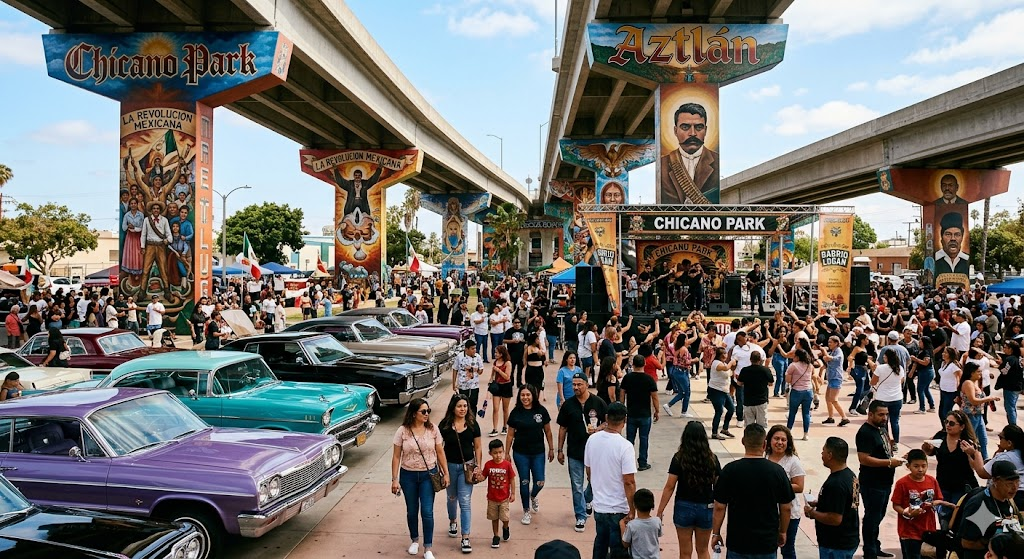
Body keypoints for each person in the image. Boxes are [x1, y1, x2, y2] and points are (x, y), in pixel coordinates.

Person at [711, 423, 794, 558]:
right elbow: (786, 507)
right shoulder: (777, 471)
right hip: (766, 543)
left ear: (743, 442)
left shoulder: (730, 470)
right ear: (764, 444)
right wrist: (783, 531)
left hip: (738, 542)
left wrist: (716, 533)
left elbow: (719, 506)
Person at [391, 398, 449, 559]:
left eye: (428, 411)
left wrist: (446, 473)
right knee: (412, 510)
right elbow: (396, 456)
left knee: (427, 511)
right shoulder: (402, 431)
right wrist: (394, 479)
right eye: (423, 411)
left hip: (428, 475)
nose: (426, 414)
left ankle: (428, 547)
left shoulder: (433, 429)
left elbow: (440, 452)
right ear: (413, 413)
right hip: (407, 475)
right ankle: (415, 540)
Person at [656, 421, 720, 559]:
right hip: (706, 507)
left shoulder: (679, 458)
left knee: (685, 552)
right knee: (703, 550)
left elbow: (670, 486)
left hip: (684, 506)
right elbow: (719, 487)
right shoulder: (712, 459)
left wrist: (660, 510)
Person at [584, 402, 637, 559]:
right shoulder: (625, 446)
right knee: (618, 549)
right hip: (618, 508)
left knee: (600, 543)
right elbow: (629, 481)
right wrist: (632, 508)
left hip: (599, 505)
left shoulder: (592, 440)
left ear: (606, 418)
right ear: (625, 420)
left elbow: (589, 470)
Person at [557, 372, 607, 533]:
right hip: (574, 451)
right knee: (576, 485)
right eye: (574, 384)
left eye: (579, 384)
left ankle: (588, 498)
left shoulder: (598, 402)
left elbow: (608, 421)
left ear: (586, 384)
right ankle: (580, 515)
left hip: (595, 451)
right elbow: (562, 428)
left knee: (595, 482)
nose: (576, 387)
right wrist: (559, 450)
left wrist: (598, 429)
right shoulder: (568, 405)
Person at [857, 400, 905, 559]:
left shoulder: (882, 428)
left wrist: (894, 457)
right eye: (881, 414)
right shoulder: (865, 432)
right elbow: (864, 459)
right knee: (872, 517)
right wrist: (890, 462)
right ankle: (869, 552)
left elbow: (885, 449)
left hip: (885, 481)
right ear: (870, 414)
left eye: (886, 414)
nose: (884, 417)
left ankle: (874, 545)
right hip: (872, 483)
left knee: (879, 515)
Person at [439, 394, 482, 554]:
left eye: (465, 406)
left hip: (467, 467)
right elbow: (438, 447)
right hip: (449, 467)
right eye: (459, 406)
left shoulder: (472, 424)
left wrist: (478, 465)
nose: (463, 409)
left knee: (465, 501)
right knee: (451, 498)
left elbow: (477, 447)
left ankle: (465, 537)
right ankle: (452, 521)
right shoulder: (444, 425)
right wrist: (441, 469)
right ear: (453, 408)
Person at [921, 409, 980, 529]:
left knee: (958, 517)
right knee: (943, 518)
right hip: (943, 484)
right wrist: (926, 447)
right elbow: (929, 452)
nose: (948, 425)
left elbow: (976, 467)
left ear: (962, 426)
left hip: (962, 486)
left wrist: (971, 453)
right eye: (946, 422)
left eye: (952, 423)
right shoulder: (940, 437)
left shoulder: (967, 443)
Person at [890, 449, 954, 559]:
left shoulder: (932, 481)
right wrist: (907, 513)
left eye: (924, 466)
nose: (920, 470)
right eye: (916, 466)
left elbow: (939, 498)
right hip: (909, 531)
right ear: (908, 466)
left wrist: (934, 503)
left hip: (928, 529)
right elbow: (896, 505)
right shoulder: (902, 483)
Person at [505, 384, 554, 526]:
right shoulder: (516, 412)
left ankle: (533, 496)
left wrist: (551, 449)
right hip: (521, 453)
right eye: (522, 395)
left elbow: (548, 431)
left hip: (538, 452)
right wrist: (507, 453)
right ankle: (526, 510)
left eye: (528, 395)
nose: (525, 398)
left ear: (533, 396)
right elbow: (510, 435)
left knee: (540, 481)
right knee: (524, 481)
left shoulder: (541, 411)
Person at [805, 437, 861, 559]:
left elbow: (835, 518)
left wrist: (812, 513)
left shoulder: (836, 484)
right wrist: (820, 503)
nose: (821, 454)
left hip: (836, 545)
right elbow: (844, 504)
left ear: (830, 455)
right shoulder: (850, 476)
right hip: (848, 538)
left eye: (823, 451)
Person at [955, 461, 1021, 559]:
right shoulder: (981, 506)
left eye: (1017, 482)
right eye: (1010, 483)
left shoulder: (1008, 500)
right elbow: (967, 543)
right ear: (995, 481)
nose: (1015, 487)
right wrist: (992, 545)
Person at [659, 103, 720, 205]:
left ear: (706, 130)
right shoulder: (662, 164)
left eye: (699, 127)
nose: (692, 133)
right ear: (675, 131)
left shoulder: (717, 161)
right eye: (685, 127)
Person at [766, 425, 806, 559]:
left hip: (789, 514)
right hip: (769, 512)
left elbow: (799, 486)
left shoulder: (793, 461)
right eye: (776, 439)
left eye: (783, 440)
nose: (779, 442)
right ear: (769, 441)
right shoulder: (764, 457)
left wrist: (778, 485)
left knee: (787, 549)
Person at [966, 424, 1024, 508]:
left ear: (1009, 443)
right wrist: (1000, 450)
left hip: (1012, 498)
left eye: (1001, 437)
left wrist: (976, 453)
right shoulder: (1019, 454)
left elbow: (982, 473)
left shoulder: (1005, 457)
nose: (999, 440)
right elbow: (994, 467)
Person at [621, 354, 660, 472]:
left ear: (633, 364)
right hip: (645, 414)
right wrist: (657, 411)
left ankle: (627, 462)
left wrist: (622, 410)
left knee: (629, 439)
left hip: (631, 413)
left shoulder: (627, 378)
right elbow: (654, 397)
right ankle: (642, 462)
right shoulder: (649, 379)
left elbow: (622, 395)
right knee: (644, 439)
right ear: (644, 364)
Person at [960, 361, 1000, 461]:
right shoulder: (968, 383)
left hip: (978, 414)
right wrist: (989, 399)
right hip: (970, 415)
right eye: (978, 372)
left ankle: (985, 459)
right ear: (971, 373)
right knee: (971, 439)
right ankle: (968, 459)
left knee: (983, 439)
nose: (980, 374)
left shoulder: (976, 382)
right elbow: (973, 400)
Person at [482, 438, 516, 549]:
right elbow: (483, 476)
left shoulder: (507, 465)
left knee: (505, 517)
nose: (498, 455)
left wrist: (513, 493)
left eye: (500, 452)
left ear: (503, 451)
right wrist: (477, 477)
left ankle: (505, 528)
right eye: (495, 453)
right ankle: (495, 536)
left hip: (504, 498)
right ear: (490, 453)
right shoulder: (488, 465)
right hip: (492, 498)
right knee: (494, 518)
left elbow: (512, 479)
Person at [872, 349, 906, 443]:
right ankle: (895, 442)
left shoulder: (880, 368)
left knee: (884, 421)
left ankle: (886, 441)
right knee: (895, 421)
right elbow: (901, 381)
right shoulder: (900, 368)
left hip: (883, 398)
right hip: (897, 397)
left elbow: (873, 382)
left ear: (887, 358)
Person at [737, 351, 774, 429]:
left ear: (750, 359)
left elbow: (739, 383)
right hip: (761, 401)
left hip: (748, 401)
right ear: (760, 359)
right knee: (762, 427)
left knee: (749, 427)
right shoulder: (765, 370)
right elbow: (771, 383)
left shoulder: (745, 370)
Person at [622, 488, 661, 559]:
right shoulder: (657, 521)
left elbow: (625, 543)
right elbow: (658, 534)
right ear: (652, 505)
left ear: (634, 505)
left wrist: (622, 525)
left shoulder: (632, 525)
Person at [820, 336, 851, 427]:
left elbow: (828, 358)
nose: (829, 344)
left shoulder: (839, 352)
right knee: (827, 398)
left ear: (836, 343)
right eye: (829, 342)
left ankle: (844, 417)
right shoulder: (833, 351)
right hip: (831, 378)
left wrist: (823, 350)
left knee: (833, 399)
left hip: (836, 378)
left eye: (831, 342)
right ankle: (831, 417)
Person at [786, 348, 815, 441]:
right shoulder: (809, 365)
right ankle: (806, 434)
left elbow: (788, 380)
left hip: (796, 391)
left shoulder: (793, 366)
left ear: (797, 357)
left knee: (792, 412)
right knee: (806, 413)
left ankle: (788, 431)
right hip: (808, 391)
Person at [707, 347, 736, 440]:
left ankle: (725, 428)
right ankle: (714, 433)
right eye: (722, 354)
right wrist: (732, 362)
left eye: (725, 354)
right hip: (716, 390)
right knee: (719, 411)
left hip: (724, 390)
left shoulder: (724, 363)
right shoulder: (716, 363)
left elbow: (729, 372)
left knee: (731, 409)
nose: (725, 356)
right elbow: (726, 368)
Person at [452, 339, 484, 415]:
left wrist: (476, 370)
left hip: (474, 386)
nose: (474, 350)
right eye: (472, 349)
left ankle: (473, 422)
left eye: (475, 348)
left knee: (473, 405)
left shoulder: (478, 357)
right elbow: (455, 370)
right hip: (463, 385)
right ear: (466, 349)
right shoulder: (459, 357)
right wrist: (454, 384)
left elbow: (481, 372)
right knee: (463, 405)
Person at [488, 344, 514, 437]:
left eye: (497, 353)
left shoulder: (507, 363)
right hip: (497, 386)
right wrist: (490, 383)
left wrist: (498, 370)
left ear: (502, 354)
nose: (495, 354)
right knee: (495, 408)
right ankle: (495, 428)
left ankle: (504, 426)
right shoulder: (495, 362)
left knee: (505, 408)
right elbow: (492, 375)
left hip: (506, 386)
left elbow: (507, 377)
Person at [934, 212, 970, 278]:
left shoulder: (967, 259)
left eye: (957, 234)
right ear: (941, 237)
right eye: (948, 234)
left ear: (962, 238)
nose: (953, 239)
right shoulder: (934, 259)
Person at [997, 340, 1023, 426]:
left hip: (1010, 387)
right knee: (1012, 406)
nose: (1004, 349)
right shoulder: (1019, 358)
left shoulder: (1010, 359)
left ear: (1011, 349)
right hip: (1017, 386)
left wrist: (1000, 366)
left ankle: (1012, 425)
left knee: (1010, 407)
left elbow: (1004, 371)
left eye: (1005, 348)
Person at [937, 348, 963, 425]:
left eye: (946, 353)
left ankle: (949, 429)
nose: (943, 354)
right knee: (941, 412)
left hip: (951, 392)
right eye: (943, 352)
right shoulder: (943, 364)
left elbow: (959, 380)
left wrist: (958, 394)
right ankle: (944, 429)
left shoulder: (954, 366)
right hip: (943, 390)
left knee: (946, 412)